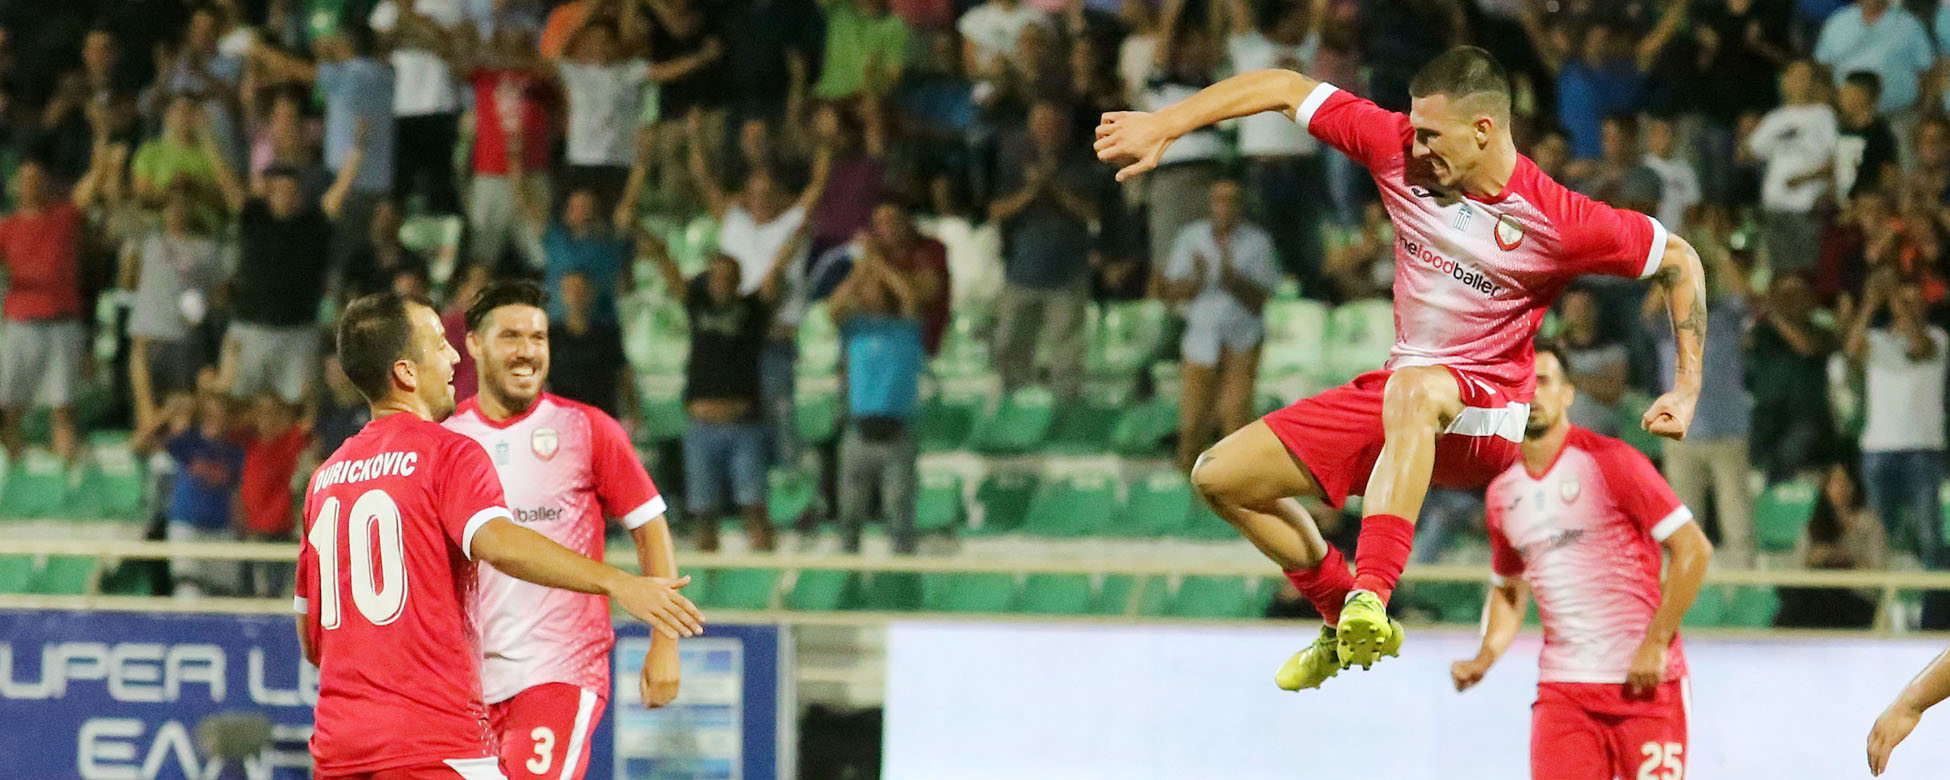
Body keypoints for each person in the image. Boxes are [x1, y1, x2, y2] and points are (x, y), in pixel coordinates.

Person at [1094, 45, 1706, 687]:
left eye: (1433, 135)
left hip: (1488, 416)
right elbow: (1282, 86)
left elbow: (1680, 260)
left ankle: (1373, 593)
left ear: (1484, 129)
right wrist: (1166, 124)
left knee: (1412, 391)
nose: (1417, 146)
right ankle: (1343, 617)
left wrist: (1686, 387)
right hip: (1405, 396)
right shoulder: (1398, 148)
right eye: (1414, 129)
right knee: (1220, 476)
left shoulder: (1558, 219)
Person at [296, 291, 702, 780]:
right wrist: (618, 582)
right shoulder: (449, 450)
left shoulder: (326, 478)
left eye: (538, 336)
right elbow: (500, 543)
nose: (452, 358)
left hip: (340, 746)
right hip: (435, 742)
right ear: (406, 372)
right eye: (440, 344)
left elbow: (311, 636)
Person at [443, 282, 683, 780]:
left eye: (538, 337)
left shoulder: (586, 429)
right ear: (475, 344)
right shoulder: (446, 439)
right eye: (511, 336)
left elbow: (649, 526)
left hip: (560, 667)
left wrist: (665, 643)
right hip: (466, 680)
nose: (527, 351)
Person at [1449, 344, 1713, 780]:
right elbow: (1509, 587)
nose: (1532, 394)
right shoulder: (1502, 494)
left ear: (1568, 393)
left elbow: (1694, 548)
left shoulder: (1611, 462)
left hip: (1645, 687)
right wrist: (1485, 656)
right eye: (1520, 385)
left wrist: (1655, 642)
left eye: (1543, 381)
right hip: (1564, 693)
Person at [650, 244, 784, 553]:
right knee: (703, 513)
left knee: (754, 507)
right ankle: (706, 580)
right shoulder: (697, 306)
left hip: (744, 425)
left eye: (727, 276)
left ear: (738, 281)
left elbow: (776, 274)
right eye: (716, 276)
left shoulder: (752, 312)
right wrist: (644, 234)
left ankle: (766, 575)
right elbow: (667, 266)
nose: (720, 282)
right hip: (701, 427)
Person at [1158, 178, 1279, 473]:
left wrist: (1231, 278)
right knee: (1192, 422)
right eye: (1219, 200)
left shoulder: (1258, 243)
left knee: (1235, 417)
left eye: (1231, 200)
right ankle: (1187, 488)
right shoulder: (1191, 238)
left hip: (1242, 340)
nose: (1224, 207)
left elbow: (1260, 300)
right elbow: (1169, 293)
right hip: (1200, 341)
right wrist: (1199, 280)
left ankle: (1236, 484)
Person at [827, 237, 926, 554]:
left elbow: (908, 297)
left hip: (896, 433)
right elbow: (834, 308)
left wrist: (877, 264)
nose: (867, 292)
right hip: (859, 431)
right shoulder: (855, 329)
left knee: (899, 511)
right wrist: (860, 272)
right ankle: (848, 570)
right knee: (849, 513)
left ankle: (902, 571)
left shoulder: (905, 330)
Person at [1845, 272, 1948, 576]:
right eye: (1903, 301)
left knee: (1929, 535)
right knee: (1880, 538)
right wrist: (1870, 303)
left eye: (1914, 302)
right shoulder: (1877, 340)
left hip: (1923, 450)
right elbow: (1851, 350)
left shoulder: (1938, 339)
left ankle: (1934, 601)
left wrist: (1894, 298)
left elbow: (1918, 349)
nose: (1907, 307)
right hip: (1878, 450)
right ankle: (1886, 600)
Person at [1747, 60, 1837, 274]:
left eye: (1805, 77)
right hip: (1775, 206)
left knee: (1805, 273)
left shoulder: (1823, 115)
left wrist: (1803, 179)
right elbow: (1751, 151)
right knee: (1779, 274)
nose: (1800, 82)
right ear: (1784, 81)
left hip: (1807, 207)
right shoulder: (1775, 118)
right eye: (1795, 76)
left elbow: (1836, 160)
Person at [1776, 460, 1883, 629]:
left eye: (1844, 482)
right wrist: (1814, 559)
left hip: (1854, 594)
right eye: (1835, 482)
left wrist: (1846, 559)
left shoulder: (1870, 524)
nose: (1840, 488)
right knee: (1793, 599)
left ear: (1854, 486)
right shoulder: (1814, 523)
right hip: (1818, 590)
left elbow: (1878, 569)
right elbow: (1795, 567)